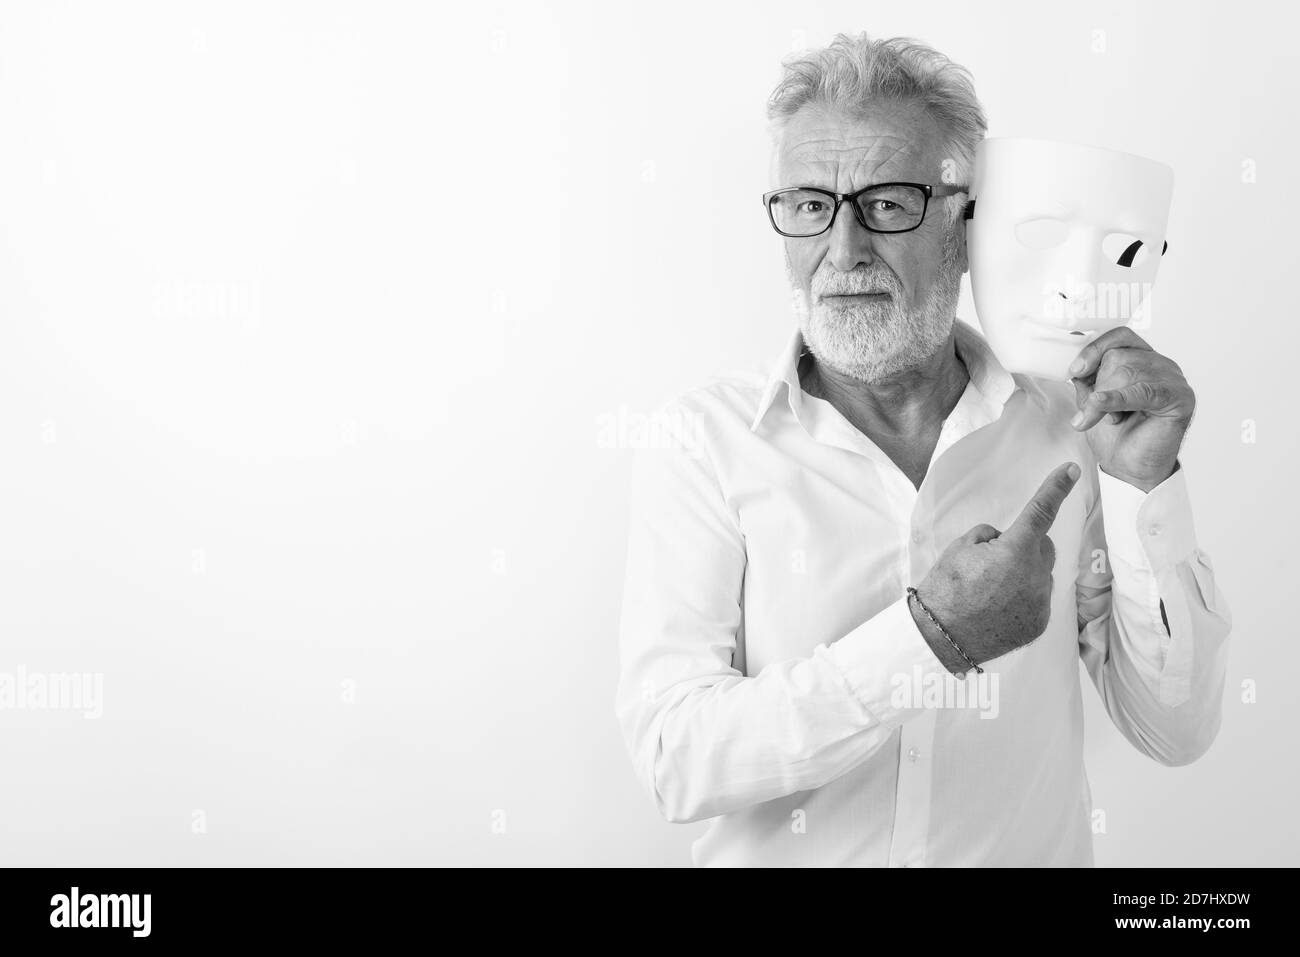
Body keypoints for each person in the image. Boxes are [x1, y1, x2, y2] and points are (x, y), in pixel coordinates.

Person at [614, 32, 1231, 867]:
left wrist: (1145, 486)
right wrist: (929, 637)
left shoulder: (1077, 430)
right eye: (807, 203)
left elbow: (1175, 729)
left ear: (965, 220)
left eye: (888, 201)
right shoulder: (703, 445)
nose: (843, 249)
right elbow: (674, 758)